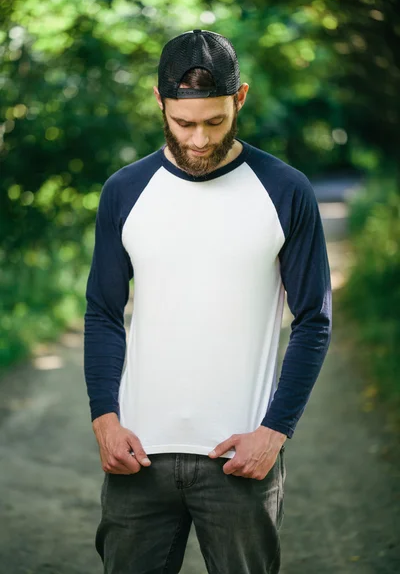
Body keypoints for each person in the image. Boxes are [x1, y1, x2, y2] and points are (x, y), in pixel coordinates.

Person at [84, 29, 332, 574]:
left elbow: (314, 320)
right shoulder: (125, 190)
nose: (198, 140)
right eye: (183, 122)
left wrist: (275, 432)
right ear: (159, 102)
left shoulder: (286, 190)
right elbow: (103, 312)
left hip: (241, 459)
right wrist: (104, 417)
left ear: (239, 98)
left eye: (215, 121)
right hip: (138, 456)